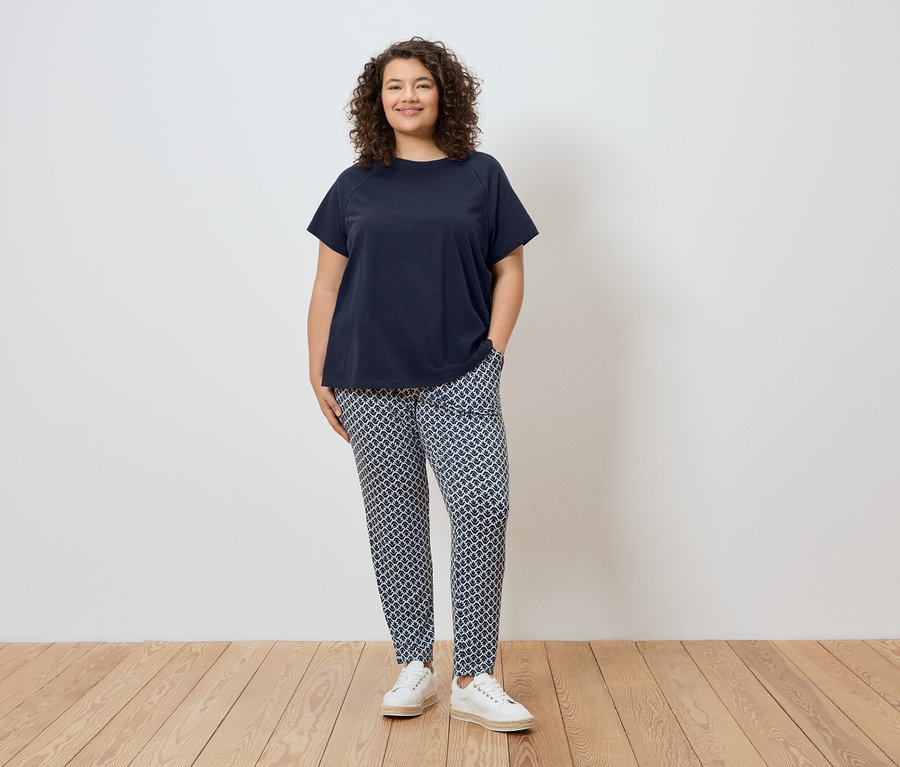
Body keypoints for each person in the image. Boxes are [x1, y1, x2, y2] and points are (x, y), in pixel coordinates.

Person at [306, 37, 538, 733]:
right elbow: (325, 286)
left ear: (445, 94)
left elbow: (511, 271)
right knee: (395, 521)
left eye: (422, 84)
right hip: (367, 377)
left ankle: (474, 674)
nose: (408, 96)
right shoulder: (355, 185)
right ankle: (415, 662)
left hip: (461, 372)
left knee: (482, 507)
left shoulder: (481, 176)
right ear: (377, 102)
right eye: (394, 87)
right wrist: (319, 372)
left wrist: (492, 352)